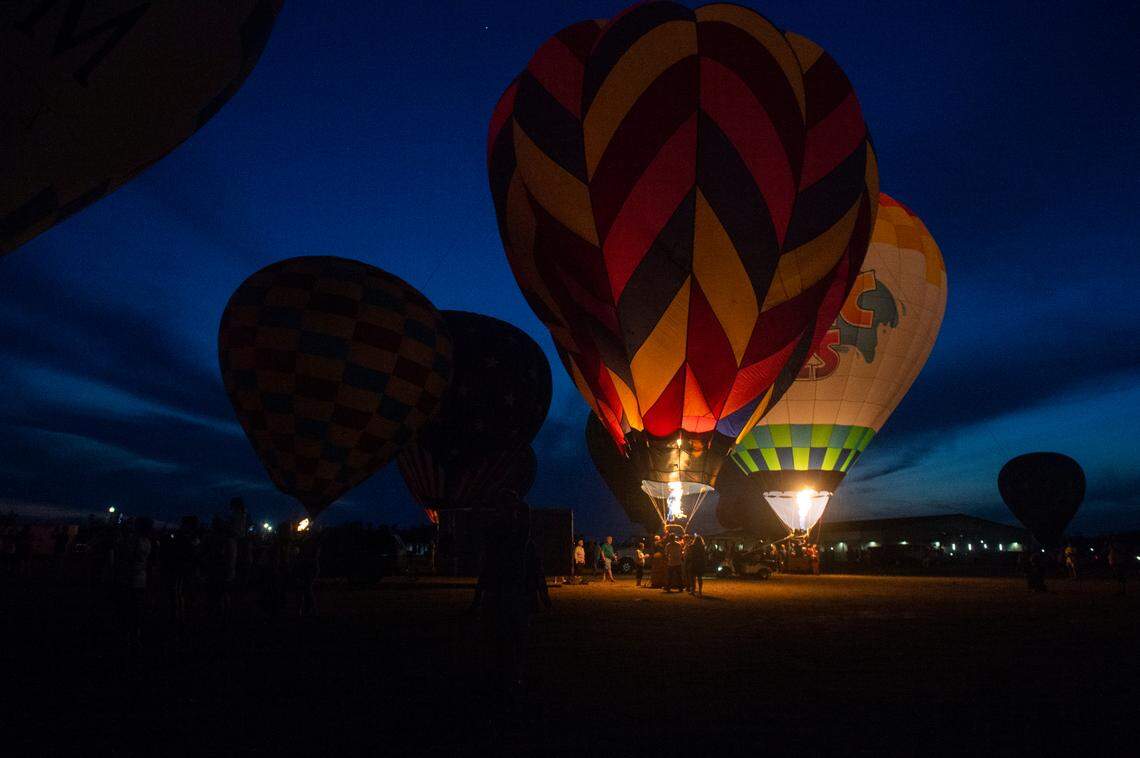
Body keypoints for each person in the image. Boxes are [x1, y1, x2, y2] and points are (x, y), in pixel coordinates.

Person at [469, 492, 551, 697]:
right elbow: (526, 524)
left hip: (497, 597)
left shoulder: (496, 548)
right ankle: (514, 676)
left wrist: (476, 601)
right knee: (516, 639)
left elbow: (483, 576)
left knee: (499, 639)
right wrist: (515, 502)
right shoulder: (519, 544)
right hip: (513, 596)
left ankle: (501, 677)